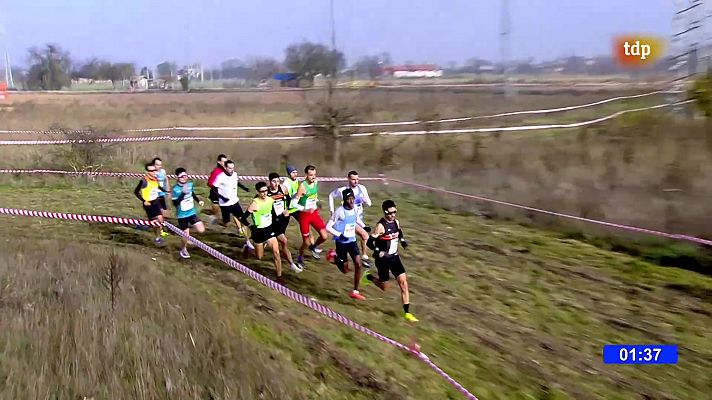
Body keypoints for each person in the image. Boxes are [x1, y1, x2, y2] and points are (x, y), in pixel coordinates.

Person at [364, 200, 418, 322]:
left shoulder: (396, 222)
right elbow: (369, 242)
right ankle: (368, 277)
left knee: (404, 283)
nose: (393, 215)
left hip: (394, 257)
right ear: (385, 212)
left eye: (395, 212)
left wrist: (403, 241)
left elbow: (399, 232)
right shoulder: (380, 226)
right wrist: (378, 251)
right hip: (382, 260)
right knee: (385, 287)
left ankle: (407, 313)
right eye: (391, 213)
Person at [326, 188, 369, 301]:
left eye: (352, 199)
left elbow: (355, 220)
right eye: (349, 199)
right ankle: (334, 255)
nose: (351, 202)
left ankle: (355, 291)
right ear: (344, 200)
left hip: (352, 241)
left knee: (358, 264)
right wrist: (339, 235)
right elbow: (328, 227)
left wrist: (364, 226)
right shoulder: (339, 212)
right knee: (345, 270)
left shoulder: (354, 209)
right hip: (341, 243)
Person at [240, 182, 286, 284]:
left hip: (269, 229)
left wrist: (277, 222)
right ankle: (248, 249)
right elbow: (243, 218)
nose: (264, 193)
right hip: (259, 232)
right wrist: (251, 227)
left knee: (276, 252)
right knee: (259, 257)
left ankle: (279, 277)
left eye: (266, 191)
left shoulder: (270, 200)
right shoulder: (254, 204)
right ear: (258, 192)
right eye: (262, 192)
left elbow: (273, 213)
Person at [328, 170, 373, 266]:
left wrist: (364, 201)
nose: (356, 181)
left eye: (357, 179)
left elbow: (369, 203)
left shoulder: (362, 188)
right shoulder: (343, 190)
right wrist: (331, 211)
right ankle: (364, 257)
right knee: (364, 235)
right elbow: (331, 195)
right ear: (348, 179)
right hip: (347, 219)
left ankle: (336, 254)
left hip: (358, 218)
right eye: (353, 179)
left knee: (355, 238)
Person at [291, 165, 328, 265]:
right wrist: (305, 209)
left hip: (314, 213)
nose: (313, 177)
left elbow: (314, 196)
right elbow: (293, 203)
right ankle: (300, 257)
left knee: (324, 236)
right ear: (306, 175)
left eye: (315, 175)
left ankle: (313, 247)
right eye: (311, 175)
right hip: (304, 216)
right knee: (306, 242)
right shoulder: (302, 186)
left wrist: (318, 202)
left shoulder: (315, 182)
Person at [267, 172, 302, 273]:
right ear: (270, 182)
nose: (276, 183)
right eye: (274, 181)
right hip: (273, 221)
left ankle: (257, 244)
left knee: (282, 243)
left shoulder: (282, 189)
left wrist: (287, 209)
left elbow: (289, 199)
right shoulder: (266, 192)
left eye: (278, 181)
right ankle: (292, 265)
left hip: (283, 219)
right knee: (284, 241)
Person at [213, 160, 252, 242]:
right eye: (230, 168)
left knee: (243, 220)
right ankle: (217, 221)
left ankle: (247, 241)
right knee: (226, 223)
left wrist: (245, 188)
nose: (232, 170)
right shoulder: (220, 177)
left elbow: (236, 182)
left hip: (234, 202)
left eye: (233, 168)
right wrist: (222, 198)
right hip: (224, 204)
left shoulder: (234, 174)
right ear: (225, 168)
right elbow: (213, 191)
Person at [171, 168, 206, 259]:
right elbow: (175, 203)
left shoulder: (189, 184)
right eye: (182, 176)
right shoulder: (175, 189)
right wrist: (182, 194)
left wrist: (199, 201)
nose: (184, 178)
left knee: (201, 229)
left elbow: (192, 194)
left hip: (191, 212)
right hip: (182, 215)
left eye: (185, 176)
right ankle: (183, 249)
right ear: (178, 177)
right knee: (185, 234)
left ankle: (188, 238)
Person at [133, 162, 167, 245]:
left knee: (160, 221)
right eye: (151, 171)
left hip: (156, 202)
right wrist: (144, 200)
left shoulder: (155, 178)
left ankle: (147, 228)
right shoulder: (143, 181)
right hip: (149, 204)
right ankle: (149, 230)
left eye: (154, 170)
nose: (154, 172)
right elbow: (136, 192)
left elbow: (157, 186)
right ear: (147, 171)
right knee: (157, 223)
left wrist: (165, 191)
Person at [207, 154, 228, 224]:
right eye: (223, 161)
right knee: (214, 212)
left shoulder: (227, 171)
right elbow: (209, 183)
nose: (225, 163)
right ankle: (202, 211)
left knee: (226, 219)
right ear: (219, 162)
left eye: (226, 161)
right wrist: (218, 187)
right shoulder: (216, 171)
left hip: (224, 195)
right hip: (215, 195)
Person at [153, 157, 171, 237]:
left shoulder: (163, 171)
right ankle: (157, 236)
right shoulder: (152, 173)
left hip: (162, 196)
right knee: (159, 216)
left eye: (160, 165)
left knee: (164, 215)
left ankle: (160, 231)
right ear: (153, 165)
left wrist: (168, 191)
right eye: (157, 165)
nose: (159, 167)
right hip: (154, 197)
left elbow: (166, 179)